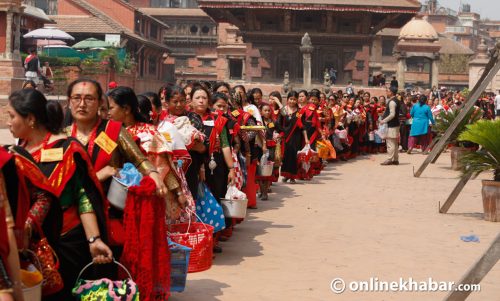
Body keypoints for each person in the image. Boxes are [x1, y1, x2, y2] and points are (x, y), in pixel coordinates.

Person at [6, 89, 113, 300]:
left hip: (65, 243)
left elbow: (83, 197)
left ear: (30, 119)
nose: (8, 122)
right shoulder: (19, 149)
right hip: (28, 244)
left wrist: (94, 239)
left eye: (11, 116)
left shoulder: (67, 149)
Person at [277, 91, 307, 183]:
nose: (292, 101)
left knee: (294, 156)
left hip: (296, 137)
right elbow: (278, 123)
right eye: (291, 99)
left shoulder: (299, 112)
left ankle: (293, 176)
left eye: (294, 99)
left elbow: (303, 126)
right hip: (285, 136)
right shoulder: (283, 110)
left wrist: (306, 139)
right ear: (287, 99)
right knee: (285, 156)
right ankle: (286, 175)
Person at [380, 86, 400, 165]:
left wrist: (383, 121)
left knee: (390, 143)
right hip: (395, 124)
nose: (386, 92)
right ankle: (395, 159)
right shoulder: (396, 100)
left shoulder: (392, 102)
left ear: (391, 92)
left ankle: (389, 159)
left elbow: (392, 114)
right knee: (394, 143)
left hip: (391, 125)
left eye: (387, 91)